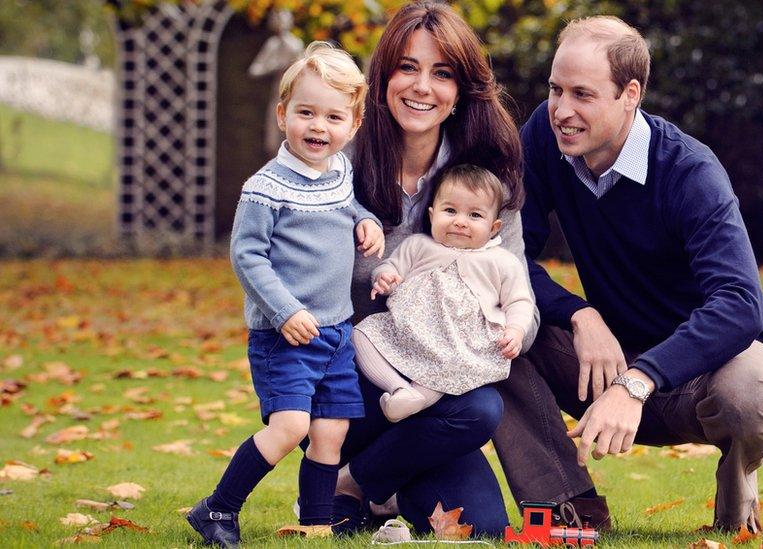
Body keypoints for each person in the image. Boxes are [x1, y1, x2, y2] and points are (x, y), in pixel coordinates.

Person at [493, 16, 763, 534]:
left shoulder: (690, 172)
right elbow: (503, 254)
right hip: (603, 362)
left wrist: (639, 380)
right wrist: (579, 313)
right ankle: (570, 508)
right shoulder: (545, 135)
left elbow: (740, 303)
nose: (562, 110)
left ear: (630, 94)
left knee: (754, 388)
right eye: (555, 90)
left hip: (701, 377)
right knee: (492, 324)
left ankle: (735, 513)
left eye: (582, 94)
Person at [312, 1, 539, 538]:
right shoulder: (337, 165)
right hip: (352, 381)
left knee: (480, 521)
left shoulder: (484, 184)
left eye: (442, 73)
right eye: (407, 67)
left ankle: (355, 483)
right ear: (383, 74)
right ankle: (362, 477)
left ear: (461, 91)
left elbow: (517, 293)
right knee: (464, 409)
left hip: (440, 392)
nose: (422, 86)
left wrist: (507, 332)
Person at [186, 42, 384, 548]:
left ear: (354, 123)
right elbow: (247, 256)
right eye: (306, 113)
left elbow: (348, 206)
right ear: (283, 115)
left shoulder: (339, 172)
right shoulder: (265, 187)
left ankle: (315, 523)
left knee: (331, 434)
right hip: (285, 334)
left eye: (333, 116)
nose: (319, 127)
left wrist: (365, 220)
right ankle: (217, 509)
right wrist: (285, 310)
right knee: (291, 425)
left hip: (336, 330)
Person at [355, 164, 535, 422]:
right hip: (408, 331)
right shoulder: (418, 246)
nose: (460, 221)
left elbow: (519, 301)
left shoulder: (501, 262)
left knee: (449, 365)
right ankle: (399, 390)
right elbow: (391, 267)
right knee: (361, 335)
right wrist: (384, 278)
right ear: (432, 215)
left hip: (460, 342)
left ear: (494, 227)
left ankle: (416, 397)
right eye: (450, 211)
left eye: (475, 215)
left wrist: (515, 330)